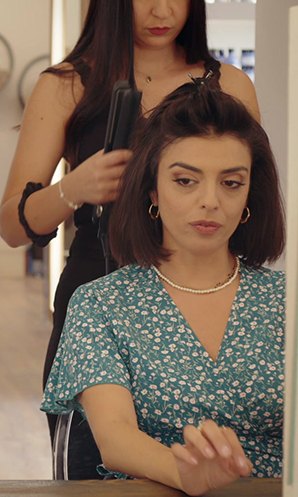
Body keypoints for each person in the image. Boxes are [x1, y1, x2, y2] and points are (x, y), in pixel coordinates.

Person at [0, 0, 260, 477]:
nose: (163, 11)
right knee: (100, 464)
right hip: (100, 289)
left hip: (202, 301)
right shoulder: (69, 85)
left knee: (209, 461)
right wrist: (74, 189)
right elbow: (11, 225)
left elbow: (252, 200)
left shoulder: (228, 84)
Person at [41, 82, 285, 494]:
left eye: (231, 183)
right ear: (152, 189)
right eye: (186, 181)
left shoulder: (286, 301)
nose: (210, 201)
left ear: (249, 196)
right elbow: (115, 438)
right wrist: (186, 474)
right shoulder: (101, 304)